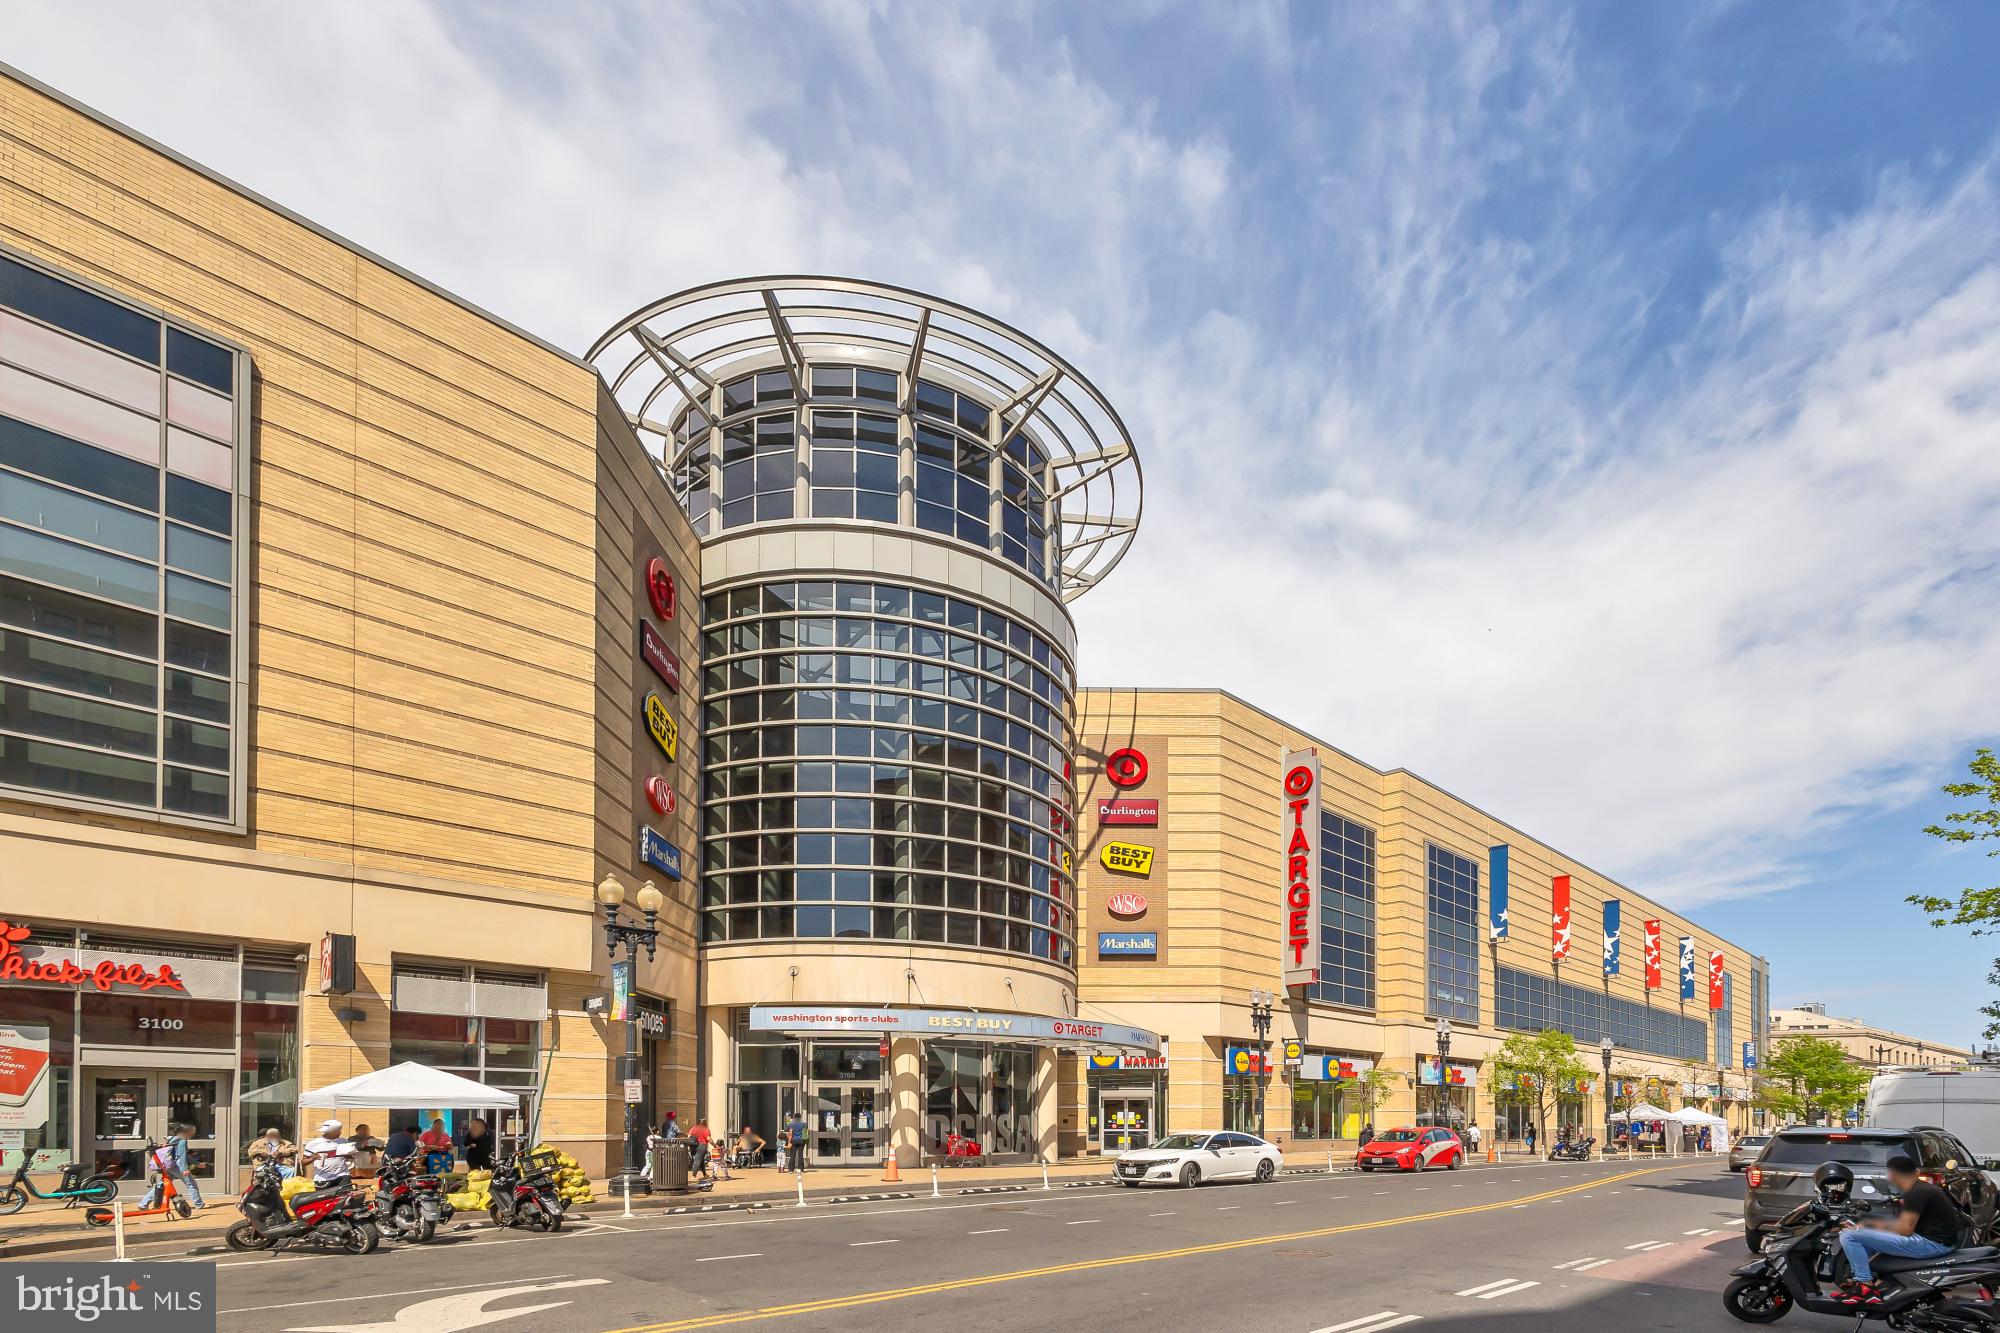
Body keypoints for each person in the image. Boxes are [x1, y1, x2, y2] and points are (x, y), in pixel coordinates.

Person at [1839, 1154, 1965, 1304]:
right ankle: (1867, 1280)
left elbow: (1905, 1230)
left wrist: (1871, 1226)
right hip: (1939, 1242)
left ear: (1893, 1174)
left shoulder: (1916, 1193)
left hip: (1931, 1244)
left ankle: (1865, 1287)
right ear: (1915, 1172)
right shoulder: (1922, 1188)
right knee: (1863, 1237)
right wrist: (1871, 1227)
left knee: (1850, 1236)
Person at [139, 1123, 204, 1209]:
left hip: (168, 1165)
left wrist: (196, 1163)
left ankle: (143, 1203)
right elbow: (181, 1155)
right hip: (176, 1166)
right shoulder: (182, 1140)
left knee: (163, 1185)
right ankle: (199, 1204)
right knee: (191, 1184)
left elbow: (183, 1154)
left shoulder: (173, 1139)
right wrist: (185, 1169)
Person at [302, 1119, 357, 1190]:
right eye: (338, 1131)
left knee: (346, 1198)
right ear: (333, 1132)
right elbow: (303, 1162)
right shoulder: (313, 1144)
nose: (340, 1132)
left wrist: (349, 1155)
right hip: (322, 1178)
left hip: (342, 1176)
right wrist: (313, 1158)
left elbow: (351, 1157)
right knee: (324, 1199)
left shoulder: (344, 1142)